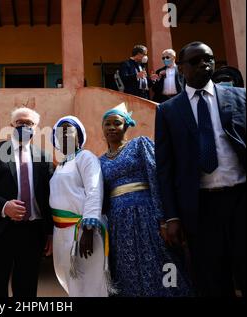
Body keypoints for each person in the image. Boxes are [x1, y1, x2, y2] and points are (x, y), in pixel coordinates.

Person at [155, 41, 246, 297]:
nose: (204, 64)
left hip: (240, 200)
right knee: (212, 281)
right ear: (181, 68)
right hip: (200, 209)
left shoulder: (240, 97)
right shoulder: (168, 111)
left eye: (209, 58)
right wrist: (171, 217)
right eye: (195, 61)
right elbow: (165, 168)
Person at [99, 104, 192, 297]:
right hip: (118, 224)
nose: (111, 127)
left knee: (163, 265)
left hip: (147, 215)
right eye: (107, 124)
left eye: (117, 123)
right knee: (127, 270)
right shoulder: (100, 161)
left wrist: (163, 219)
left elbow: (156, 179)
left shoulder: (140, 144)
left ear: (126, 126)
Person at [0, 107, 54, 297]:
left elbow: (48, 197)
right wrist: (4, 206)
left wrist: (50, 232)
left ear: (36, 128)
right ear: (12, 125)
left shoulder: (44, 157)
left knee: (26, 288)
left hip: (32, 233)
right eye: (20, 122)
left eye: (30, 123)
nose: (24, 126)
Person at [49, 115, 112, 297]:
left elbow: (94, 190)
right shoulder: (61, 165)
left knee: (89, 284)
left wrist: (89, 227)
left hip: (83, 231)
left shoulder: (86, 157)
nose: (65, 133)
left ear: (79, 136)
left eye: (69, 129)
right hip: (62, 232)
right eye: (60, 131)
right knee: (72, 284)